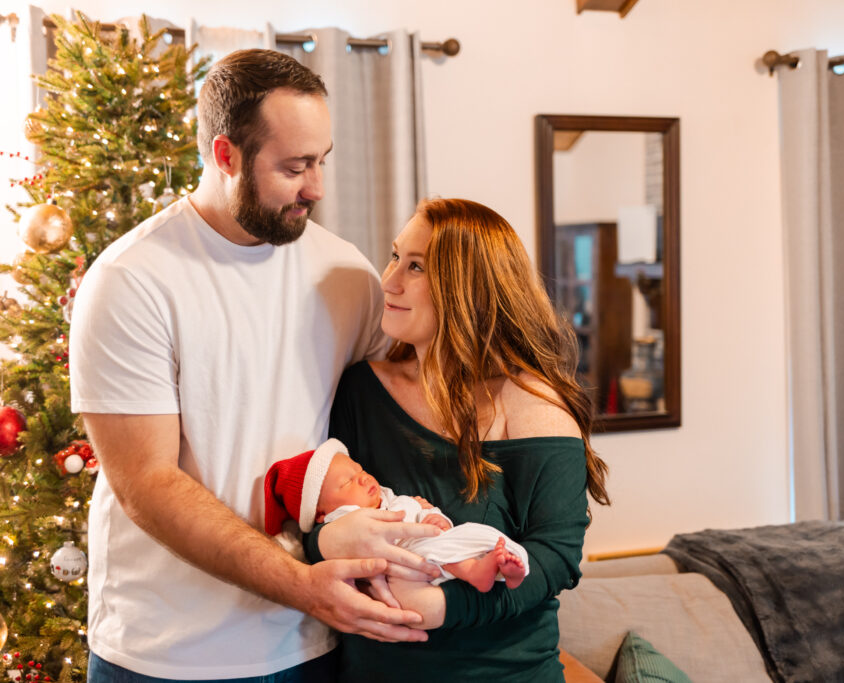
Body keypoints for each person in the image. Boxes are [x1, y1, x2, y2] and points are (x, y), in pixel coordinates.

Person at [69, 49, 440, 682]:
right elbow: (147, 485)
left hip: (311, 641)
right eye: (294, 167)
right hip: (166, 652)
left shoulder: (345, 275)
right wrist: (302, 586)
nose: (317, 187)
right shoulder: (132, 280)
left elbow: (409, 398)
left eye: (322, 161)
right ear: (225, 155)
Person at [304, 197, 612, 682]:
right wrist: (326, 540)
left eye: (417, 267)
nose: (389, 281)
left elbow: (556, 557)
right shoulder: (360, 391)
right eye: (394, 256)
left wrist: (444, 606)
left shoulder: (535, 408)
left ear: (469, 289)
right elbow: (319, 508)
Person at [265, 438, 528, 593]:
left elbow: (433, 516)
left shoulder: (393, 499)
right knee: (436, 551)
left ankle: (510, 568)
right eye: (347, 483)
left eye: (359, 470)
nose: (363, 478)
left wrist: (436, 518)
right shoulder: (345, 520)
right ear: (323, 513)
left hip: (436, 542)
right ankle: (474, 571)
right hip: (410, 567)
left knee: (478, 532)